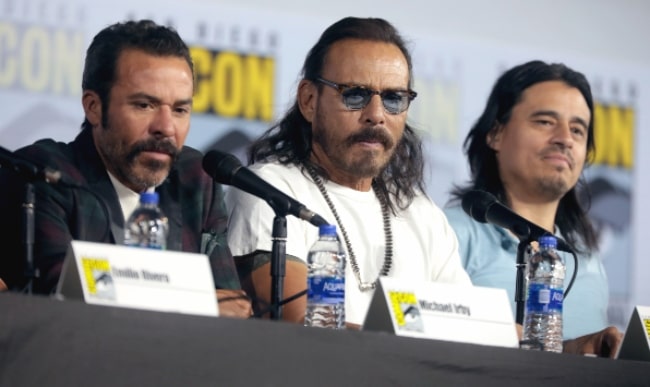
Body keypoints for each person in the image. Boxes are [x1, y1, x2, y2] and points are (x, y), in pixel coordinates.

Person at [225, 17, 471, 327]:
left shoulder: (424, 216)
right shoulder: (271, 192)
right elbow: (302, 323)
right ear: (309, 100)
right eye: (355, 94)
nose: (376, 116)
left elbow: (467, 329)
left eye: (394, 99)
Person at [0, 20, 251, 318]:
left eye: (180, 110)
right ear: (94, 107)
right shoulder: (46, 175)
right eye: (144, 105)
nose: (166, 128)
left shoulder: (195, 177)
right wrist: (196, 301)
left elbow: (234, 308)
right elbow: (63, 302)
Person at [444, 60, 621, 356]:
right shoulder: (448, 233)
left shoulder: (587, 261)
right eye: (545, 122)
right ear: (495, 134)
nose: (565, 138)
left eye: (578, 130)